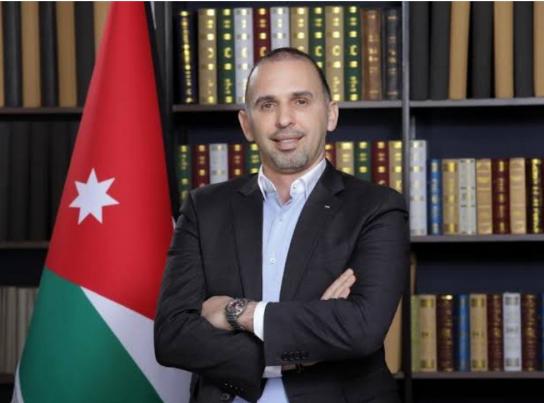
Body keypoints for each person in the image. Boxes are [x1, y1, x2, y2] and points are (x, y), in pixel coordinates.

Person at [154, 47, 410, 403]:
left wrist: (237, 313)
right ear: (246, 124)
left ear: (331, 114)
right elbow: (172, 336)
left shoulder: (377, 207)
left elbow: (361, 328)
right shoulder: (204, 208)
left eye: (301, 101)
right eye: (267, 105)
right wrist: (300, 348)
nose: (284, 119)